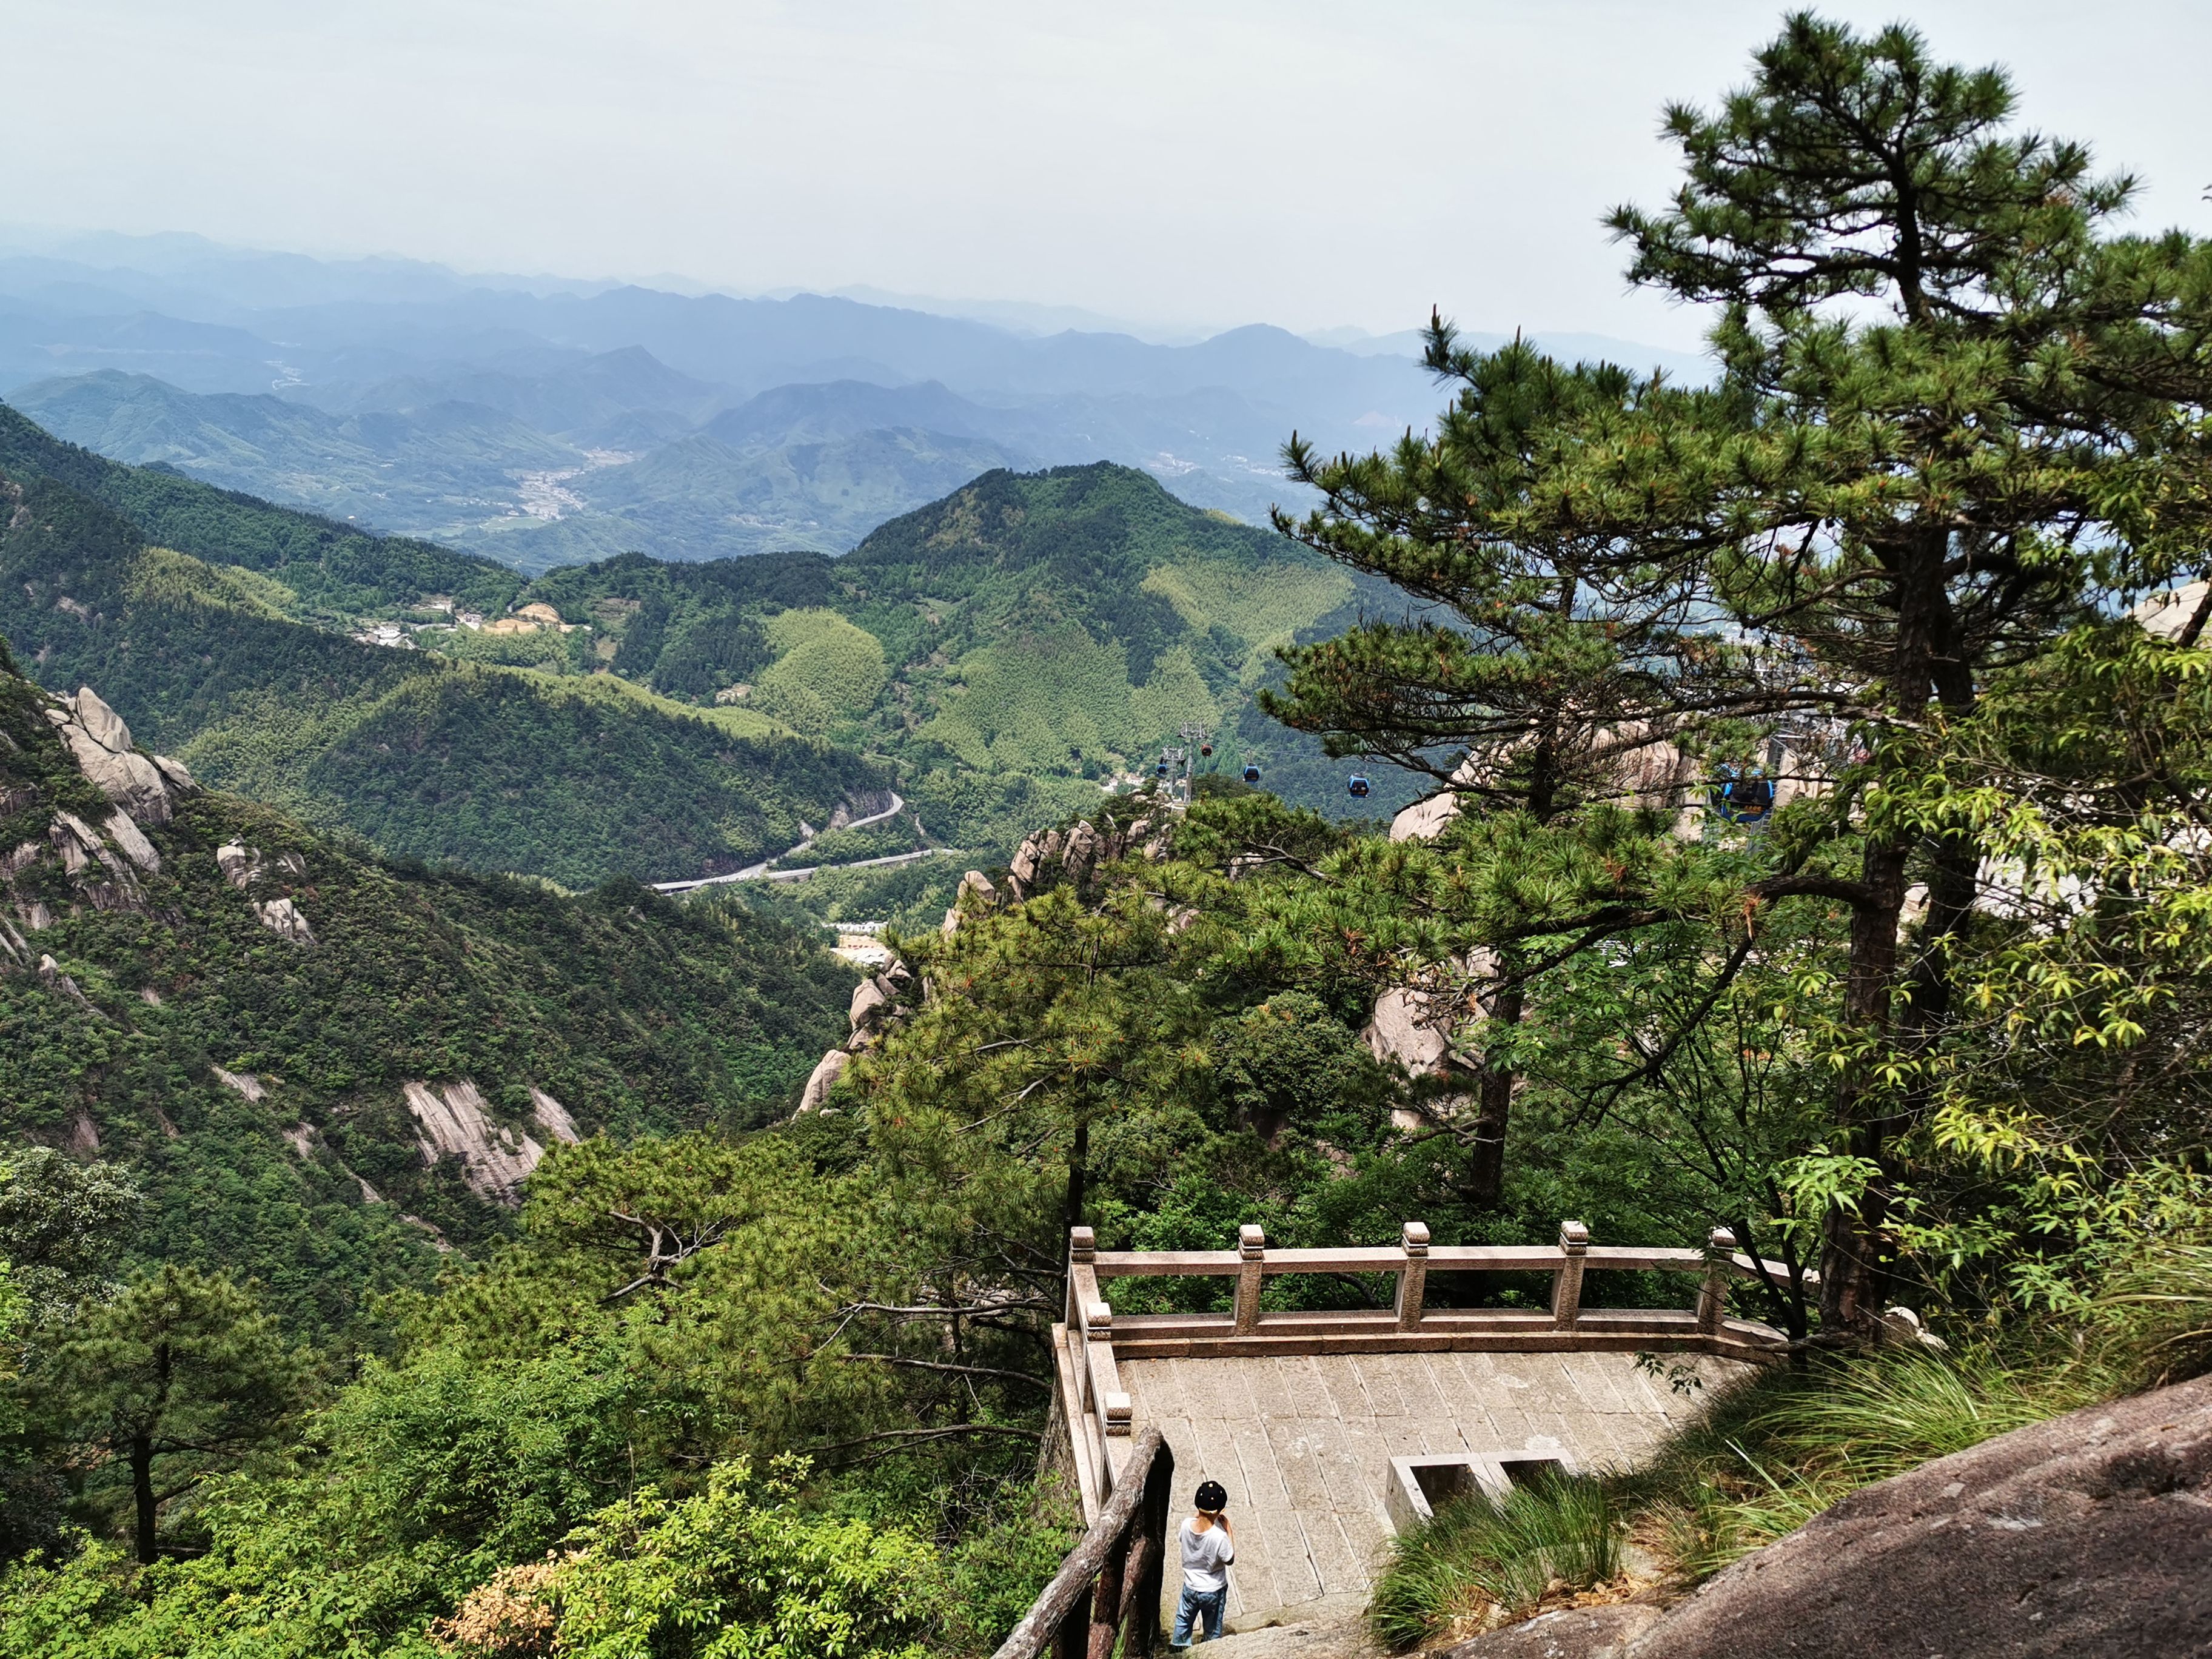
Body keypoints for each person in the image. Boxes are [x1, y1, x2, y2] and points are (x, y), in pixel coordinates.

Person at [1170, 1479, 1235, 1647]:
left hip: (1190, 1588)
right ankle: (1210, 1650)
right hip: (1213, 1590)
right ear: (1218, 1512)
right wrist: (1229, 1530)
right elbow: (1230, 1559)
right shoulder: (1220, 1537)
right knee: (1212, 1628)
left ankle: (1179, 1649)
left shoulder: (1186, 1525)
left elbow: (1185, 1535)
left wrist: (1200, 1515)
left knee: (1183, 1621)